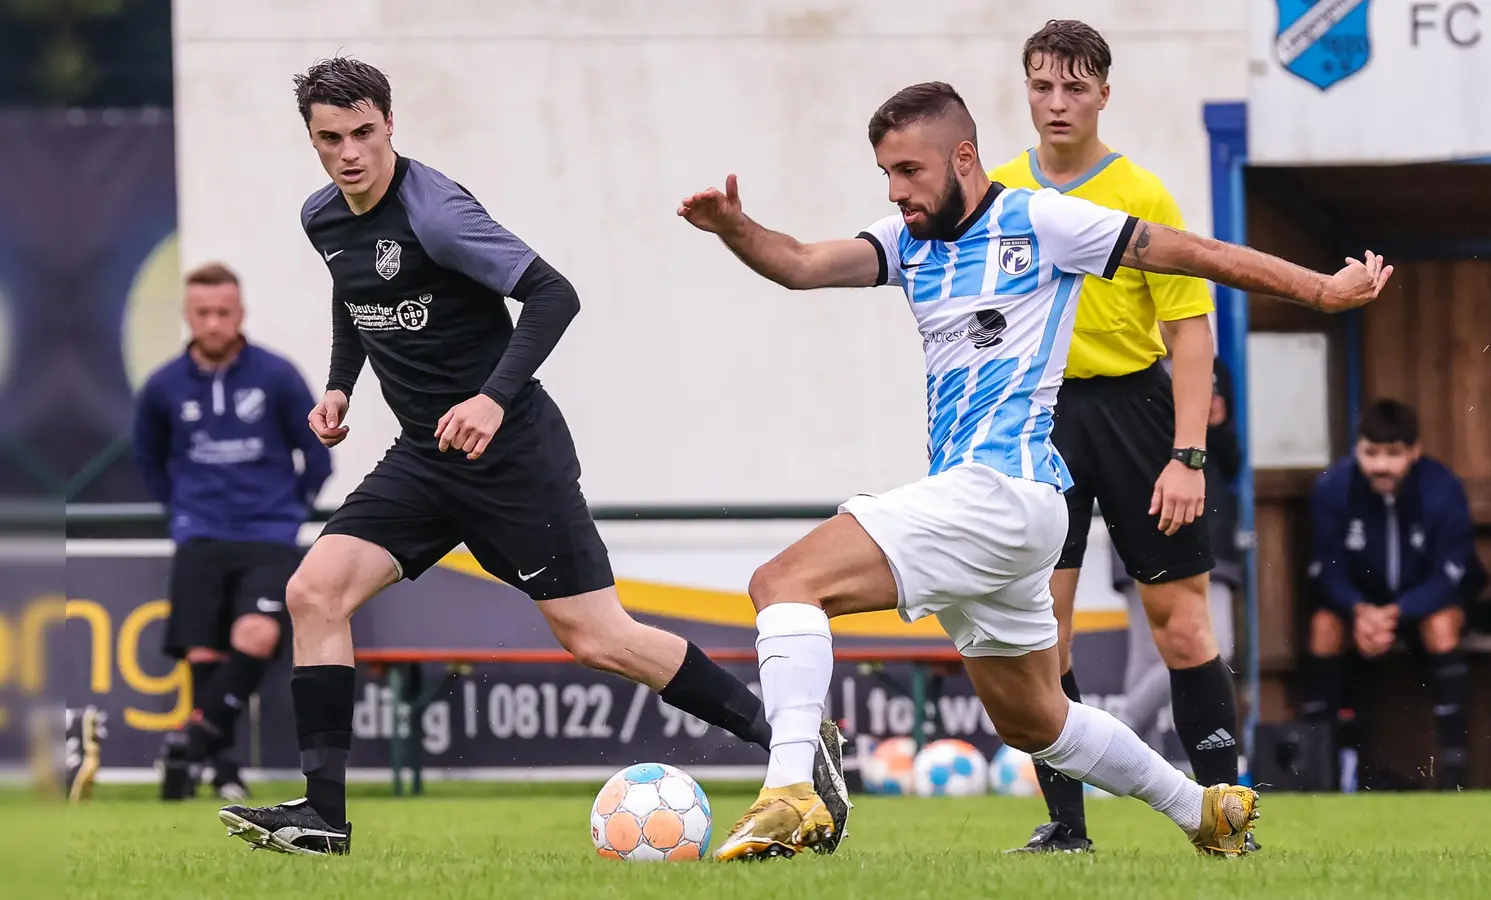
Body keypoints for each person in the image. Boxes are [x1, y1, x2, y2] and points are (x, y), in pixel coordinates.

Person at [678, 80, 1389, 860]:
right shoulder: (905, 241)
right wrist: (734, 228)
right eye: (885, 172)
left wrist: (1320, 289)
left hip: (1000, 490)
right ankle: (1205, 812)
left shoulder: (1039, 219)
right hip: (1015, 510)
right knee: (1035, 721)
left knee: (783, 584)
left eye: (910, 171)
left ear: (964, 157)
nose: (896, 190)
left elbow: (1195, 254)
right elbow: (803, 263)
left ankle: (790, 792)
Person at [216, 57, 847, 857]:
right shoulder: (324, 218)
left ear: (390, 125)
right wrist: (341, 385)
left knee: (598, 639)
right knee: (314, 592)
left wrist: (491, 398)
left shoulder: (436, 211)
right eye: (330, 139)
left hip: (514, 454)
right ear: (312, 140)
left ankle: (793, 745)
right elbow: (354, 296)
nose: (350, 154)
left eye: (364, 133)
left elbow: (555, 293)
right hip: (424, 456)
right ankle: (323, 815)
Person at [985, 21, 1245, 854]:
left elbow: (1192, 338)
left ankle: (1225, 820)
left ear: (1103, 92)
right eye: (1041, 85)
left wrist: (1188, 455)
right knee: (1040, 633)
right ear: (1026, 89)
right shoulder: (994, 192)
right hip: (1039, 419)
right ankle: (1067, 828)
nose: (1056, 102)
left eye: (1074, 86)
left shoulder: (1144, 193)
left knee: (1182, 625)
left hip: (1136, 414)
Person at [132, 262, 333, 802]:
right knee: (202, 653)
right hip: (199, 533)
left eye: (224, 311)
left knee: (257, 635)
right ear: (187, 315)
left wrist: (290, 510)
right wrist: (182, 510)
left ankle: (191, 744)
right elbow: (149, 459)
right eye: (203, 313)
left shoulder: (277, 376)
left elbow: (315, 454)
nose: (214, 322)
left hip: (267, 534)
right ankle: (222, 771)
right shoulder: (163, 386)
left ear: (240, 313)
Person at [1301, 400, 1485, 791]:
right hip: (1361, 612)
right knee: (1323, 626)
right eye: (1371, 453)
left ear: (1414, 451)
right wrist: (1359, 610)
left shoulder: (1443, 488)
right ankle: (1318, 771)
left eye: (1393, 453)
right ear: (1357, 450)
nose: (1381, 465)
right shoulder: (1333, 488)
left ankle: (1455, 773)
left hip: (1421, 608)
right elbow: (1325, 569)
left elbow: (1452, 573)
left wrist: (1397, 612)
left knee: (1442, 625)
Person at [1114, 356, 1242, 752]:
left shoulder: (1212, 365)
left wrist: (1215, 426)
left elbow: (1231, 460)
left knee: (1214, 644)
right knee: (1148, 659)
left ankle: (1120, 743)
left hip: (1208, 534)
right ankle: (1129, 757)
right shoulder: (1125, 364)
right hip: (1143, 519)